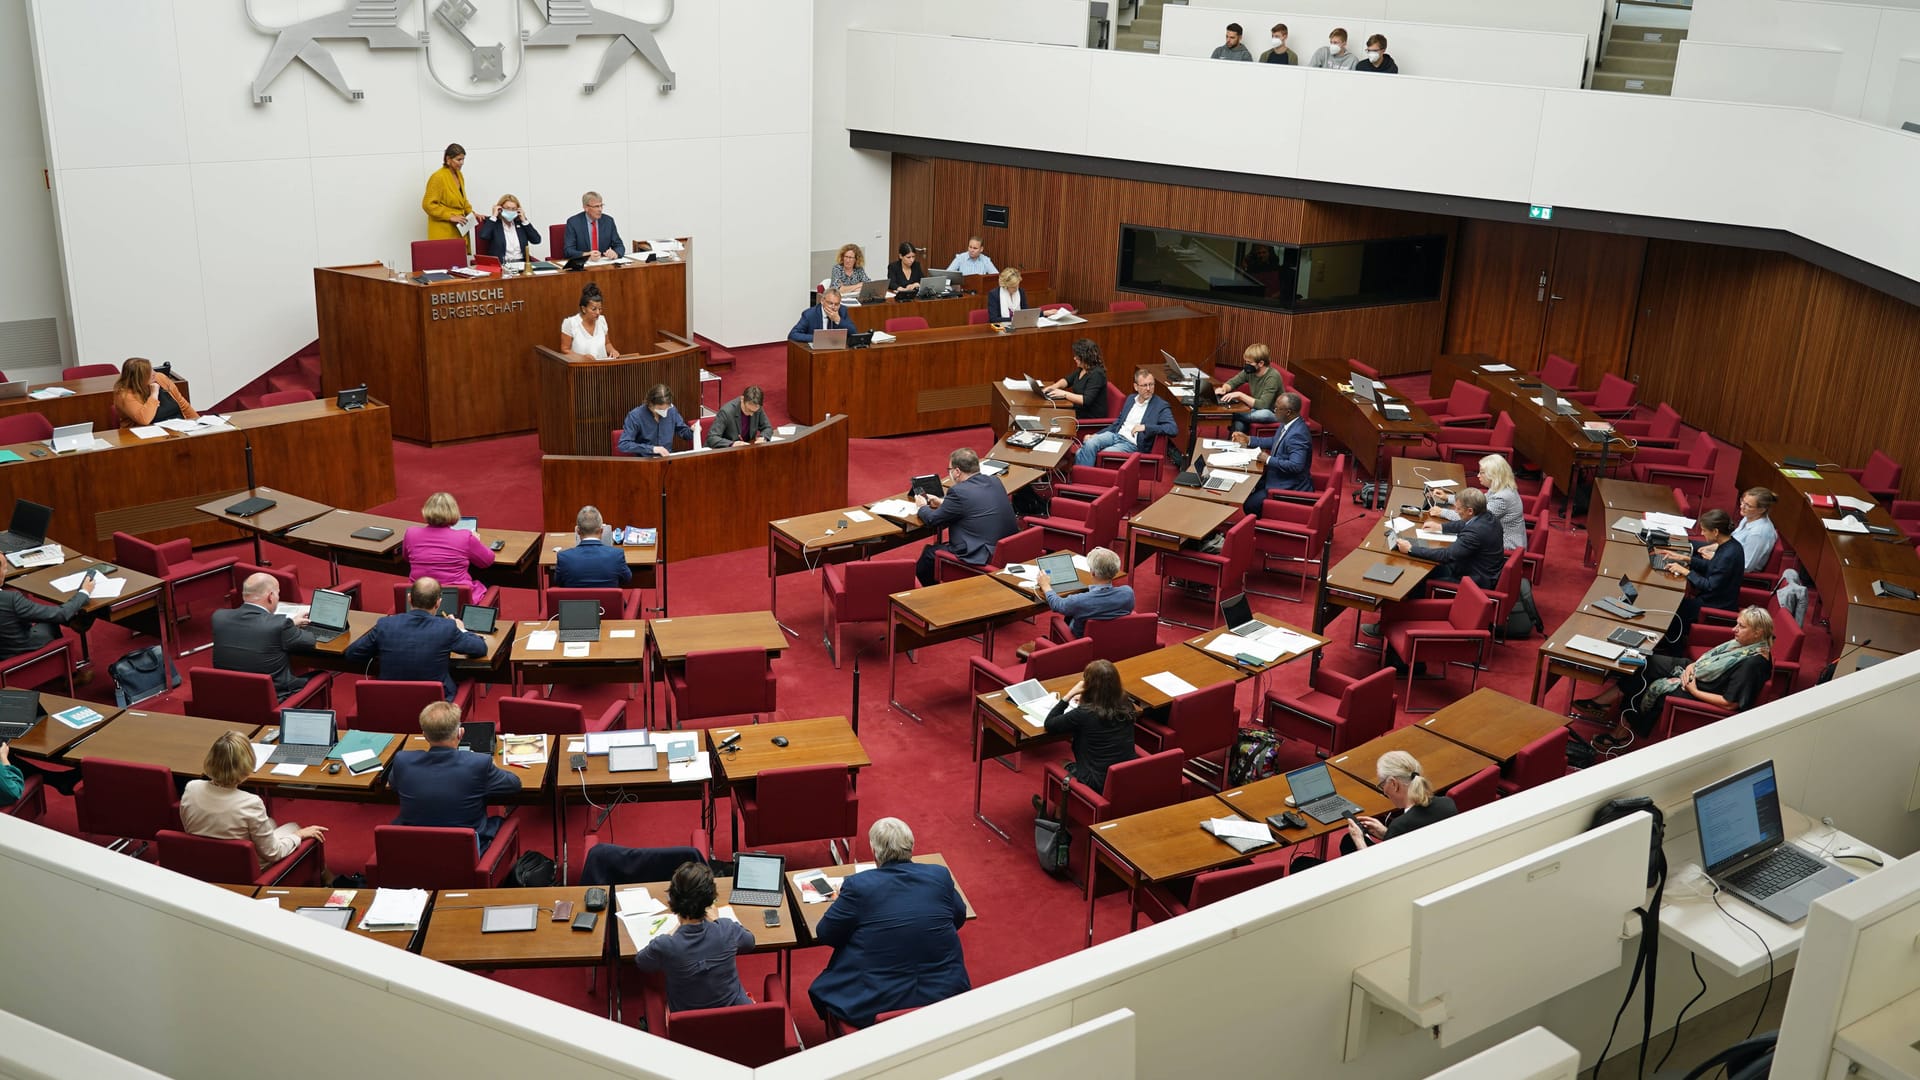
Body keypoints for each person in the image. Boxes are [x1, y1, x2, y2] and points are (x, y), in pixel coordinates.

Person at [808, 817, 970, 1030]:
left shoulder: (859, 886)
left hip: (877, 1000)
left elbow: (826, 933)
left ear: (874, 852)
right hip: (946, 991)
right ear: (911, 847)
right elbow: (958, 916)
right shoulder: (938, 876)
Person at [1578, 606, 1774, 750]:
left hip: (1703, 691)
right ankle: (1607, 704)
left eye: (1741, 626)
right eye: (1737, 624)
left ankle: (1622, 734)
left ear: (1758, 633)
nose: (1734, 629)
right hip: (1698, 675)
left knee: (1653, 686)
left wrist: (1693, 689)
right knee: (1647, 663)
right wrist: (1690, 666)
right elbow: (1710, 662)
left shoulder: (1752, 664)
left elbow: (1730, 704)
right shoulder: (1744, 645)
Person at [386, 700, 522, 850]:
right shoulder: (479, 763)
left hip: (415, 850)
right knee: (498, 822)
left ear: (424, 735)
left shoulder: (403, 761)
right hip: (466, 853)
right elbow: (514, 784)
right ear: (460, 733)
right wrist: (492, 766)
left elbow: (394, 784)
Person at [180, 730, 327, 868]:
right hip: (241, 867)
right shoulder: (251, 803)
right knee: (293, 827)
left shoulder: (191, 787)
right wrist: (299, 835)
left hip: (202, 861)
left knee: (270, 823)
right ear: (246, 766)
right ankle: (324, 877)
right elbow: (273, 854)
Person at [633, 861, 756, 1014]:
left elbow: (642, 962)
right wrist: (716, 920)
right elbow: (750, 942)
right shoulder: (727, 928)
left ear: (672, 901)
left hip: (688, 1030)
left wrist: (674, 930)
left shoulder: (665, 944)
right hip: (736, 1023)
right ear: (710, 901)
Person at [342, 578, 486, 700]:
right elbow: (480, 648)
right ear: (438, 603)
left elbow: (352, 653)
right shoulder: (447, 627)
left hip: (390, 702)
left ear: (409, 598)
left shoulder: (386, 625)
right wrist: (461, 628)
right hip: (435, 706)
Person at [913, 448, 1018, 586]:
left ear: (957, 471)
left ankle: (937, 597)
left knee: (928, 556)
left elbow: (932, 520)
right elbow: (975, 503)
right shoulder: (994, 481)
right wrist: (943, 503)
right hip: (1007, 547)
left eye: (949, 469)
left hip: (982, 554)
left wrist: (922, 507)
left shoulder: (958, 491)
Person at [211, 572, 315, 700]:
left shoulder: (219, 617)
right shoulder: (280, 624)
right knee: (321, 675)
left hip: (230, 697)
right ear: (271, 597)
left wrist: (290, 623)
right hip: (273, 699)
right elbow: (310, 641)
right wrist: (290, 626)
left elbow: (251, 631)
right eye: (278, 593)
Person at [1041, 659, 1137, 797]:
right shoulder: (1127, 704)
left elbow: (1050, 724)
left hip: (1096, 783)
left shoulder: (1084, 714)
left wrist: (1069, 695)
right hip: (1125, 776)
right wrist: (1086, 700)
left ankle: (1058, 815)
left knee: (1063, 763)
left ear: (1089, 685)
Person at [1388, 487, 1503, 589]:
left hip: (1473, 581)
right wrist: (1440, 527)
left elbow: (1447, 555)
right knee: (1426, 567)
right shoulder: (1486, 516)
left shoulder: (1475, 532)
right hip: (1479, 569)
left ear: (1470, 511)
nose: (1456, 512)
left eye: (1458, 509)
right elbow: (1463, 523)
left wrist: (1410, 549)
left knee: (1416, 583)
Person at [1346, 750, 1457, 849]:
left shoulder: (1400, 825)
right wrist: (1387, 834)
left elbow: (1383, 870)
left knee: (1348, 842)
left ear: (1394, 783)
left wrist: (1359, 840)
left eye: (1382, 785)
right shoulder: (1447, 803)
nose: (1384, 791)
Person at [1666, 508, 1745, 645]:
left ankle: (1673, 647)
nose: (1701, 534)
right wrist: (1686, 558)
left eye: (1704, 530)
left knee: (1673, 610)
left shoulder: (1729, 554)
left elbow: (1709, 585)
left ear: (1715, 532)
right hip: (1713, 597)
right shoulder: (1730, 544)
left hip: (1716, 604)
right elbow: (1711, 567)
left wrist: (1686, 571)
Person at [403, 492, 496, 604]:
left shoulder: (411, 533)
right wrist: (475, 541)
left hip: (420, 597)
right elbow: (488, 561)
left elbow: (406, 558)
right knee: (487, 581)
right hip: (455, 599)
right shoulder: (465, 537)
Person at [1074, 369, 1178, 467]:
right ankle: (1083, 480)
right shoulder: (1131, 399)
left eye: (1151, 385)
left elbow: (1173, 429)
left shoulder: (1160, 405)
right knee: (1090, 442)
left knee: (1097, 453)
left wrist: (1146, 427)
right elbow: (1118, 423)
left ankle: (1085, 480)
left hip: (1131, 444)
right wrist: (1096, 435)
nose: (1148, 389)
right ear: (1136, 387)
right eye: (1144, 385)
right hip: (1115, 435)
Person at [1234, 392, 1311, 516]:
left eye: (1277, 408)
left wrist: (1269, 459)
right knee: (1244, 485)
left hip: (1289, 486)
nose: (1274, 411)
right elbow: (1275, 441)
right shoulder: (1287, 423)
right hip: (1276, 476)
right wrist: (1249, 439)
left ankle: (1262, 527)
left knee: (1250, 505)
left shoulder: (1298, 435)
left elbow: (1296, 465)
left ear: (1288, 412)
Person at [0, 566, 97, 659]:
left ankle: (74, 622)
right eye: (5, 568)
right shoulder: (10, 599)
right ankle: (66, 666)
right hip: (19, 651)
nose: (7, 571)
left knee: (45, 616)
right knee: (51, 621)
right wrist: (84, 592)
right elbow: (60, 614)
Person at [1036, 547, 1134, 639]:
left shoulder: (1079, 601)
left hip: (1081, 643)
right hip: (1113, 639)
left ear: (1093, 573)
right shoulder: (1128, 593)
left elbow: (1057, 605)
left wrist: (1045, 586)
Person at [1438, 454, 1525, 551]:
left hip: (1506, 547)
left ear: (1493, 475)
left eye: (1482, 473)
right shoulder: (1500, 488)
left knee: (1456, 546)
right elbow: (1477, 502)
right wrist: (1447, 498)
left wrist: (1442, 512)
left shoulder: (1502, 498)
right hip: (1492, 536)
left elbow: (1473, 518)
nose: (1478, 475)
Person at [552, 505, 631, 589]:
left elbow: (558, 582)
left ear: (578, 531)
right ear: (601, 530)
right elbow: (627, 579)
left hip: (575, 602)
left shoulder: (564, 558)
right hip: (608, 602)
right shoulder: (616, 555)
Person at [1216, 344, 1283, 433]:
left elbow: (1263, 405)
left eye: (1250, 362)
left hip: (1273, 412)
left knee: (1263, 414)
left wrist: (1240, 395)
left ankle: (1230, 415)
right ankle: (1235, 442)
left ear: (1261, 363)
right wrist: (1224, 388)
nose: (1247, 365)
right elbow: (1232, 382)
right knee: (1239, 424)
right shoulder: (1250, 371)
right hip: (1254, 409)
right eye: (1246, 362)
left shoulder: (1272, 377)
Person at [113, 357, 198, 427]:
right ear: (138, 378)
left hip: (178, 427)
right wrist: (154, 394)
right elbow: (144, 419)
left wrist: (198, 423)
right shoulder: (124, 395)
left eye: (152, 369)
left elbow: (183, 405)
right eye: (148, 372)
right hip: (145, 435)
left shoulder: (160, 378)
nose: (154, 373)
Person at [1043, 338, 1110, 422]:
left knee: (1050, 418)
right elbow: (1067, 380)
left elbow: (1085, 400)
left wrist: (1063, 394)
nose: (1074, 358)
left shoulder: (1097, 374)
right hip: (1077, 411)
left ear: (1085, 357)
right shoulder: (1082, 369)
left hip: (1089, 418)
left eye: (1077, 356)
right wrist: (1054, 386)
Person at [619, 383, 693, 457]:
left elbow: (684, 433)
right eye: (660, 409)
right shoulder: (635, 416)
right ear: (650, 404)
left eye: (667, 408)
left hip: (667, 458)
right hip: (645, 461)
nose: (665, 412)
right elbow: (624, 444)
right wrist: (652, 449)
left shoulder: (672, 410)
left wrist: (693, 431)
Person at [421, 142, 474, 245]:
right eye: (458, 159)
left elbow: (463, 200)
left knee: (458, 259)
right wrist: (450, 216)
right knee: (445, 259)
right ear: (448, 159)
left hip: (459, 228)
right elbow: (427, 205)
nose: (462, 162)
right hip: (443, 230)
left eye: (463, 159)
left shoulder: (459, 175)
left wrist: (472, 213)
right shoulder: (438, 177)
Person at [1721, 487, 1778, 574]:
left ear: (1761, 510)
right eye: (1742, 501)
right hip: (1726, 554)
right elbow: (1732, 540)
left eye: (1748, 505)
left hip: (1731, 571)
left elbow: (1745, 567)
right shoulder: (1750, 516)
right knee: (1693, 546)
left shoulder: (1758, 534)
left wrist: (1715, 557)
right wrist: (1713, 548)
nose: (1741, 506)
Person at [475, 192, 540, 264]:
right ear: (500, 209)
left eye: (513, 209)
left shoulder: (521, 223)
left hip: (522, 264)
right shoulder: (493, 222)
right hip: (502, 265)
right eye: (508, 208)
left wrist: (524, 220)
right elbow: (484, 236)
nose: (511, 211)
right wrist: (494, 216)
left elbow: (536, 240)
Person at [560, 284, 618, 362]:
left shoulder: (602, 320)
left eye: (600, 309)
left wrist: (613, 351)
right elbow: (564, 350)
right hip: (580, 369)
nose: (598, 312)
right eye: (594, 309)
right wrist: (582, 358)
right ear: (584, 309)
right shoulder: (570, 323)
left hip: (602, 368)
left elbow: (607, 344)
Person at [563, 190, 624, 260]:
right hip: (583, 265)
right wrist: (587, 255)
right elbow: (568, 251)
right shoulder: (573, 222)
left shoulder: (608, 221)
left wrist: (615, 253)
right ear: (586, 208)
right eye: (596, 206)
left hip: (603, 264)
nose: (600, 209)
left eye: (601, 206)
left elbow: (619, 246)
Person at [706, 385, 772, 448]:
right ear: (742, 399)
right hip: (727, 451)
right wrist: (732, 444)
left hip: (747, 448)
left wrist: (763, 438)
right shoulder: (726, 412)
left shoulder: (756, 408)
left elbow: (767, 427)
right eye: (748, 410)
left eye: (754, 412)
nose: (751, 414)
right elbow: (712, 438)